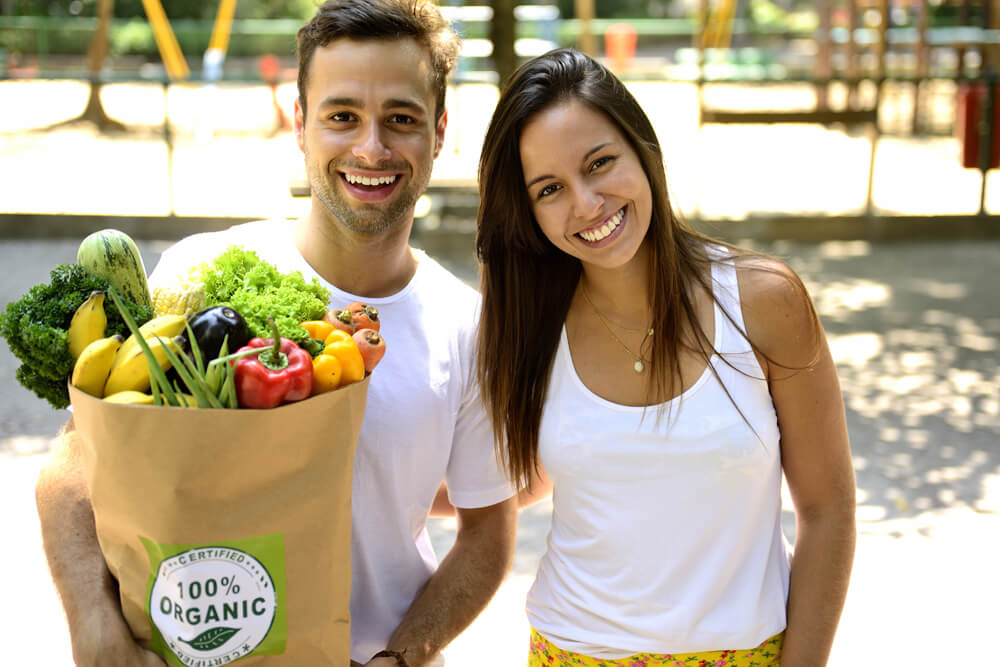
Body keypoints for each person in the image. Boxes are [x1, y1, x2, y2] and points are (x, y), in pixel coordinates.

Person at [34, 2, 517, 666]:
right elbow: (74, 463)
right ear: (300, 124)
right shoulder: (196, 275)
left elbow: (487, 532)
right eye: (342, 116)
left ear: (438, 132)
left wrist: (403, 655)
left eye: (400, 119)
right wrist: (92, 620)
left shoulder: (466, 326)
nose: (371, 147)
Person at [474, 49, 856, 666]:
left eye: (600, 163)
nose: (587, 203)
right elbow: (520, 479)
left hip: (744, 653)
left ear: (643, 149)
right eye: (550, 189)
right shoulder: (524, 325)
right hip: (569, 653)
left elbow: (828, 509)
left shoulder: (763, 302)